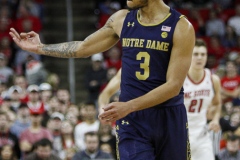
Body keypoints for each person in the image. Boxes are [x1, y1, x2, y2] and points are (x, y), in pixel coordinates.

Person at [9, 0, 195, 159]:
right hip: (132, 120)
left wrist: (129, 105)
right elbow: (83, 48)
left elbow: (173, 86)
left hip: (168, 117)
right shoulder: (122, 19)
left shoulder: (181, 27)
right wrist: (40, 48)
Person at [98, 39, 222, 160]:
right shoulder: (174, 76)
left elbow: (217, 103)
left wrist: (215, 119)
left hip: (201, 138)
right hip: (176, 135)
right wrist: (103, 109)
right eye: (196, 54)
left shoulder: (212, 80)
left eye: (203, 54)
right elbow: (106, 92)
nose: (200, 58)